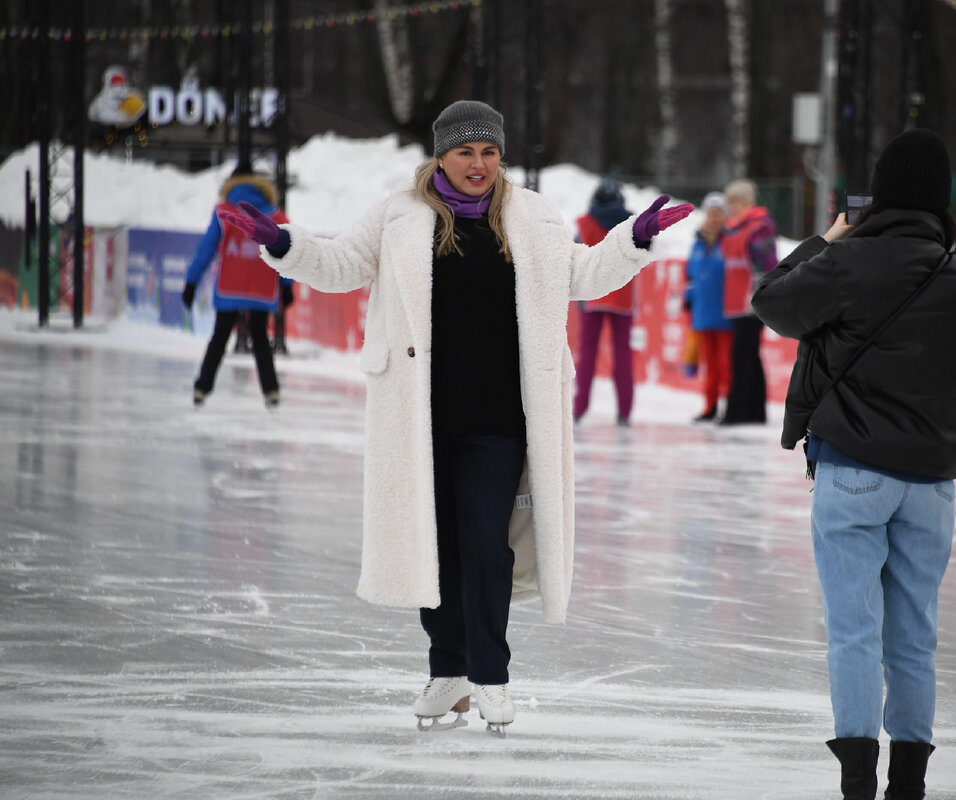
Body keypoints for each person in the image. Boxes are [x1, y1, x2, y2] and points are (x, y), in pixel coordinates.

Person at [218, 100, 693, 735]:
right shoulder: (399, 216)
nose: (479, 165)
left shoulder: (531, 216)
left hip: (500, 418)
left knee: (485, 548)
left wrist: (632, 238)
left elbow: (579, 274)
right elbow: (336, 266)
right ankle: (448, 673)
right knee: (435, 548)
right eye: (466, 152)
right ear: (441, 154)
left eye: (490, 152)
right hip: (422, 416)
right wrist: (281, 242)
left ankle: (491, 677)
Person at [751, 128, 956, 799]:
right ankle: (908, 780)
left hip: (855, 469)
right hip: (931, 483)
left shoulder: (853, 262)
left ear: (878, 196)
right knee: (914, 638)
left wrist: (828, 240)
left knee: (855, 631)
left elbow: (772, 299)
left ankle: (858, 778)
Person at [182, 168, 293, 409]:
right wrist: (287, 285)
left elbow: (206, 249)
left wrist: (191, 281)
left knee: (220, 336)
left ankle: (202, 387)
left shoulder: (225, 212)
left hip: (230, 285)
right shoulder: (276, 216)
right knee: (260, 337)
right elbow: (286, 251)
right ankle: (271, 390)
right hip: (261, 286)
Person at [572, 179, 636, 426]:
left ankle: (579, 408)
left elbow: (578, 255)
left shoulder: (586, 222)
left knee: (587, 353)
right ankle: (625, 411)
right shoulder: (630, 224)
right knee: (623, 354)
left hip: (592, 292)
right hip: (623, 293)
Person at [719, 178, 777, 425]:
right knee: (748, 356)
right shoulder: (734, 228)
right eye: (729, 202)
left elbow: (769, 263)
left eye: (734, 202)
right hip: (738, 301)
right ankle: (753, 412)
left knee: (743, 355)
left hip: (751, 301)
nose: (730, 207)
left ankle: (738, 412)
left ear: (746, 202)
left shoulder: (757, 228)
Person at [684, 191, 732, 422]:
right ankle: (710, 406)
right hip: (703, 313)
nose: (714, 219)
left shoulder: (730, 241)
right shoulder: (698, 243)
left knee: (726, 365)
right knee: (710, 365)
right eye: (711, 214)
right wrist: (688, 298)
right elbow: (690, 275)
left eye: (718, 214)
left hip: (726, 314)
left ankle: (729, 407)